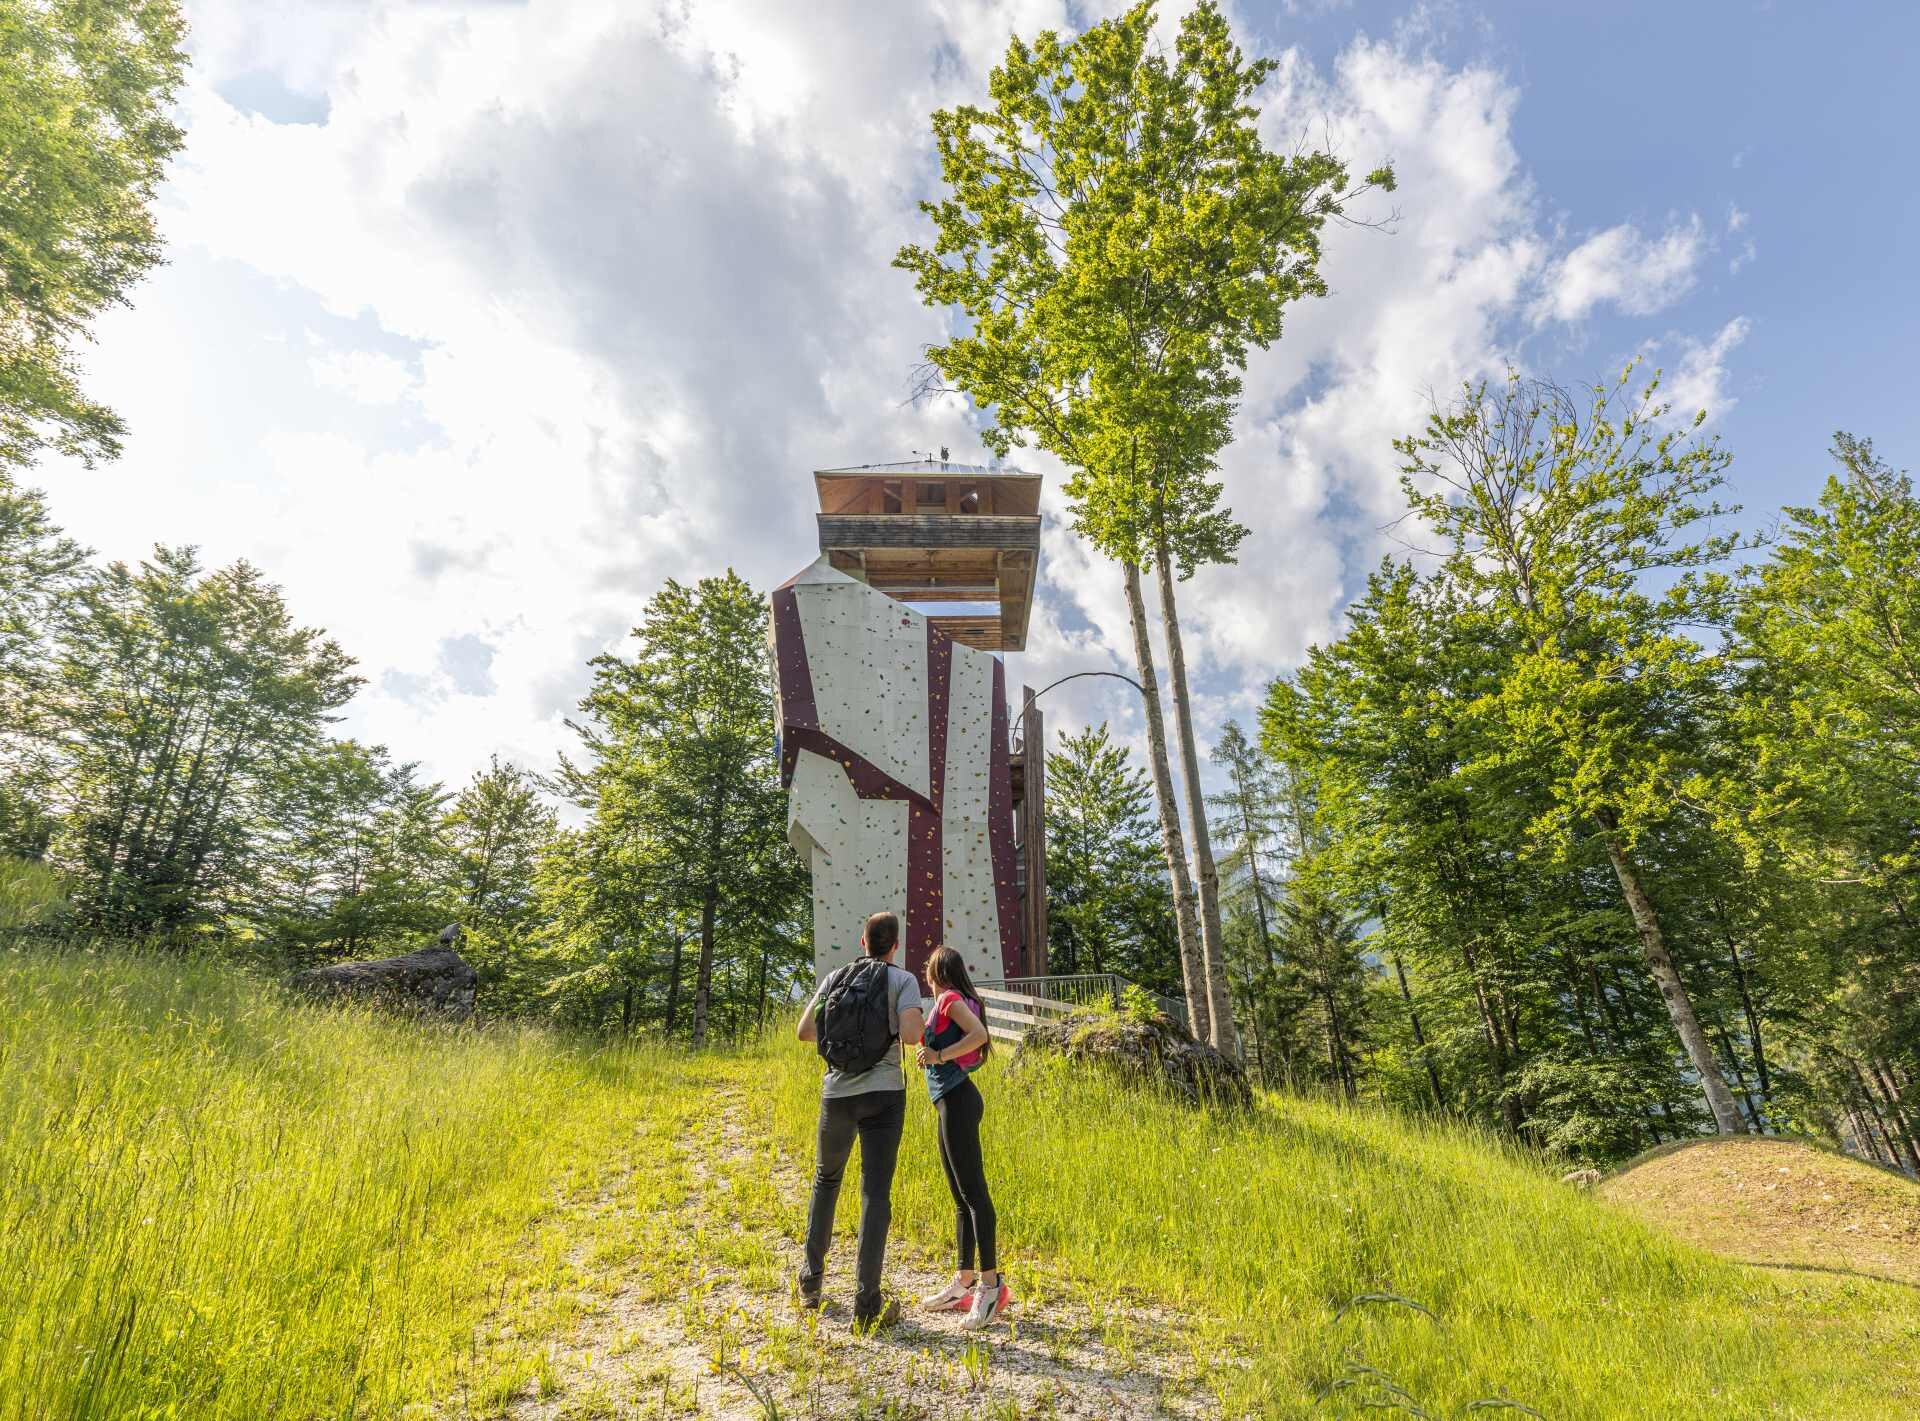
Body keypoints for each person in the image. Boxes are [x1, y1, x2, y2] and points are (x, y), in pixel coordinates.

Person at [794, 910, 924, 1330]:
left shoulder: (835, 978)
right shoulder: (902, 980)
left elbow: (805, 1032)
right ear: (895, 946)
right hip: (884, 1094)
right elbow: (909, 1035)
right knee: (875, 1193)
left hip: (837, 1094)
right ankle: (867, 1302)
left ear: (863, 941)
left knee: (826, 1181)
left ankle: (811, 1283)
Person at [913, 945, 1009, 1329]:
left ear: (936, 971)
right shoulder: (944, 1003)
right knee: (959, 1197)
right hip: (948, 1103)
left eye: (927, 967)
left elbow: (979, 1034)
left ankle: (991, 1285)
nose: (924, 972)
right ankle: (964, 1280)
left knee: (974, 1194)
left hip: (958, 1101)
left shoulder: (950, 998)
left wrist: (940, 1056)